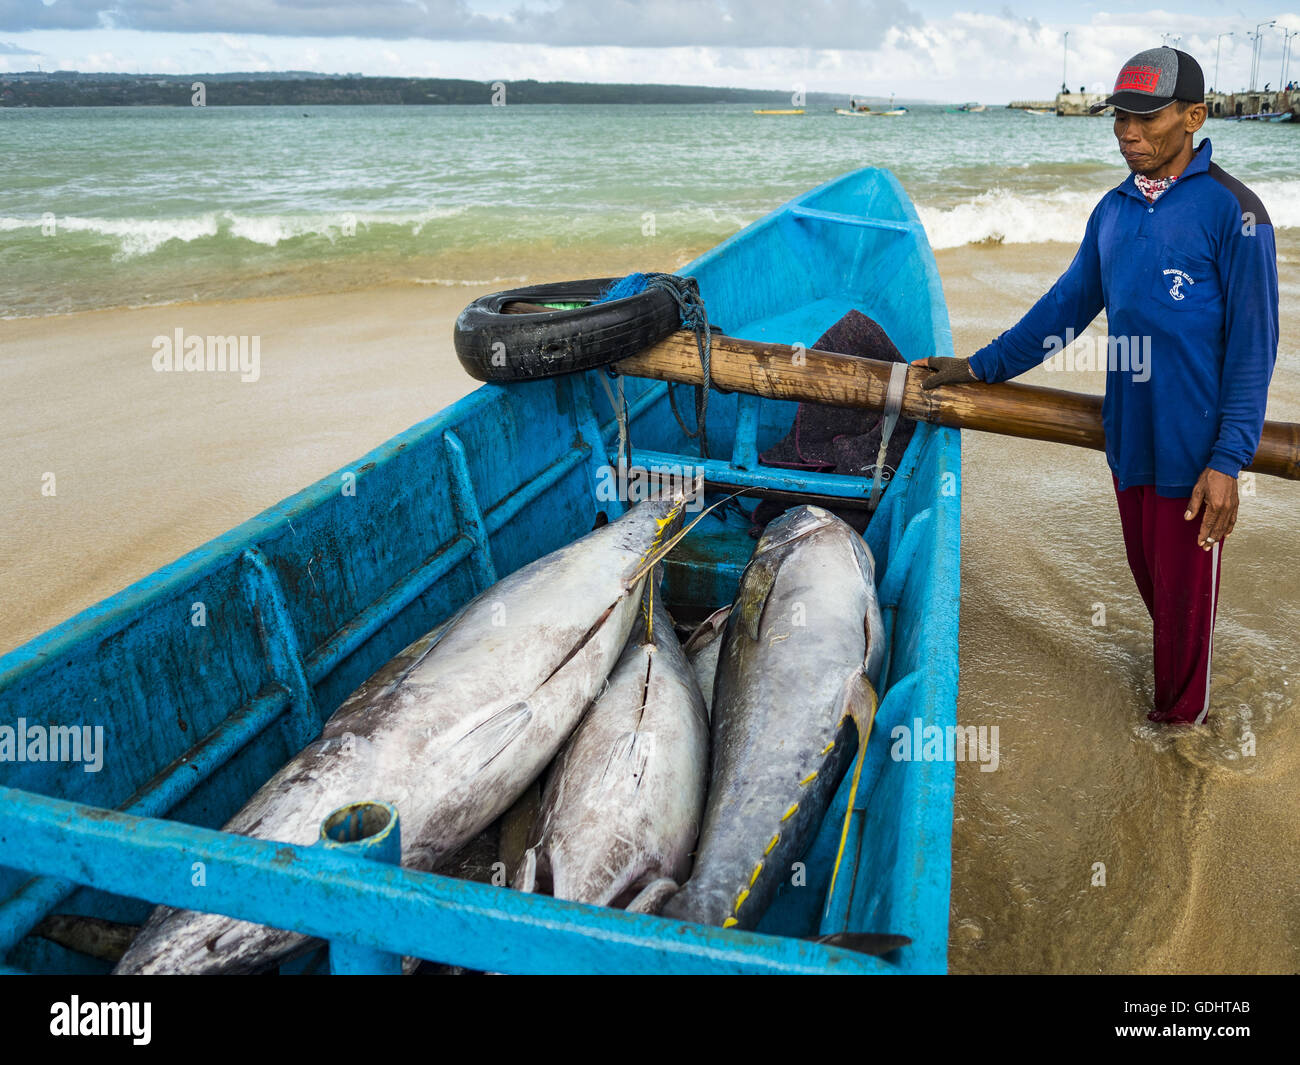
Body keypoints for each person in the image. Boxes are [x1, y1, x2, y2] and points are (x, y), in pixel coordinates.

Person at [914, 47, 1278, 725]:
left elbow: (1255, 350)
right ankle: (1171, 709)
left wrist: (1228, 460)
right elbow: (1064, 309)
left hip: (1194, 456)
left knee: (1182, 620)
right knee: (1155, 593)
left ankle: (1176, 741)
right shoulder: (1112, 211)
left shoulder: (1237, 213)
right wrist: (981, 365)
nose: (1126, 131)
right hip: (1129, 443)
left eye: (1146, 116)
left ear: (1195, 116)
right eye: (1119, 116)